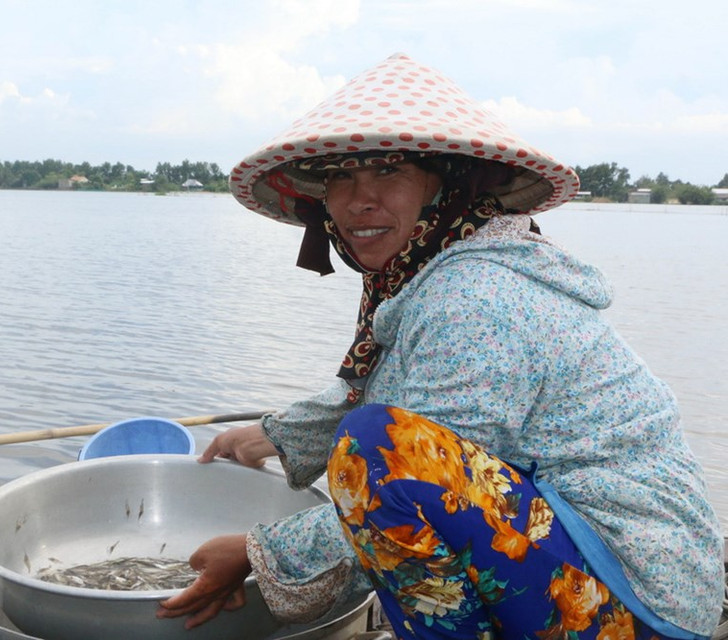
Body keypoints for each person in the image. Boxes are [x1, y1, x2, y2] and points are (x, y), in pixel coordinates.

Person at [156, 53, 725, 638]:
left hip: (633, 599)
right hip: (586, 565)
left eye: (389, 173)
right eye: (341, 177)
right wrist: (273, 437)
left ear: (446, 186)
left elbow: (413, 476)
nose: (358, 200)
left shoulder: (475, 296)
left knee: (378, 446)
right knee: (379, 437)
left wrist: (255, 554)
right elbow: (393, 392)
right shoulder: (429, 274)